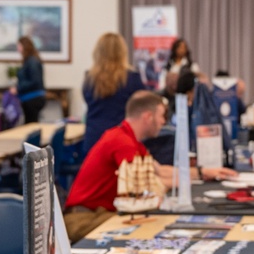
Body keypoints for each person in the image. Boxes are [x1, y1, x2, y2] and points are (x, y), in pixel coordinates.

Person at [64, 91, 237, 242]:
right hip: (85, 218)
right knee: (147, 231)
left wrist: (202, 172)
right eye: (161, 116)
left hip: (98, 212)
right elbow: (150, 182)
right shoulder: (122, 142)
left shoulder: (127, 137)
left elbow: (160, 170)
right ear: (148, 116)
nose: (163, 122)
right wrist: (186, 182)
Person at [81, 32, 147, 155]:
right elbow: (143, 107)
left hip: (93, 139)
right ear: (123, 52)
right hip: (121, 140)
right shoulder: (133, 78)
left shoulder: (89, 78)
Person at [12, 36, 46, 123]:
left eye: (19, 46)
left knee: (31, 125)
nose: (18, 49)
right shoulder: (29, 61)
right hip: (28, 99)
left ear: (25, 46)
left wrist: (18, 88)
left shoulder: (32, 61)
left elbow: (35, 81)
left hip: (33, 99)